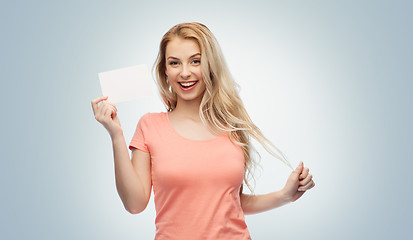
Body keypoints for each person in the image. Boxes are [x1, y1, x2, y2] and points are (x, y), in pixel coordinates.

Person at [91, 22, 315, 239]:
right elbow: (134, 204)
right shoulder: (149, 126)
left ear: (210, 65)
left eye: (195, 61)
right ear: (165, 70)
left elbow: (229, 202)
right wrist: (116, 135)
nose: (185, 72)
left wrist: (285, 196)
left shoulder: (231, 127)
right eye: (175, 63)